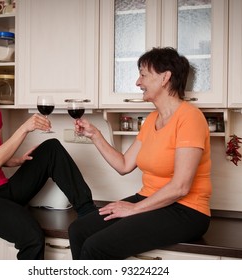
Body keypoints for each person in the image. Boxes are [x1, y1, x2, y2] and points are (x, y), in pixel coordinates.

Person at [68, 47, 212, 260]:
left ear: (165, 78)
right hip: (151, 199)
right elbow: (124, 165)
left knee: (96, 247)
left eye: (143, 75)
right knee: (78, 230)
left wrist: (134, 209)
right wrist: (95, 135)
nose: (138, 82)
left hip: (187, 211)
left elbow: (181, 186)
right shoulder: (152, 119)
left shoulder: (190, 118)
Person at [0, 59, 96, 260]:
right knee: (32, 237)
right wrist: (25, 128)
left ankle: (88, 212)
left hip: (3, 190)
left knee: (51, 148)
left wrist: (14, 161)